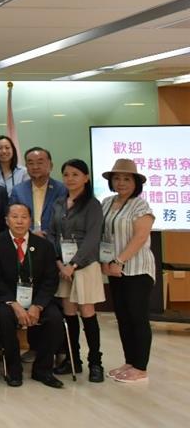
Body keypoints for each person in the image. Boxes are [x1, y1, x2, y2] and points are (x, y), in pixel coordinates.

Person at [0, 204, 65, 388]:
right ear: (6, 220)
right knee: (5, 319)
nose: (19, 221)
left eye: (24, 217)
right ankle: (14, 370)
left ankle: (43, 370)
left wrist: (37, 306)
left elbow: (50, 280)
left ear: (30, 220)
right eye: (14, 216)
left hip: (37, 300)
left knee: (54, 319)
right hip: (7, 300)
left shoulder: (44, 246)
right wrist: (14, 305)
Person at [47, 159, 105, 382]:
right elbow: (52, 234)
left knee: (87, 314)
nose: (70, 179)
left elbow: (92, 239)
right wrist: (60, 262)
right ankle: (73, 360)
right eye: (66, 174)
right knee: (68, 314)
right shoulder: (59, 202)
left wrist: (74, 264)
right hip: (63, 267)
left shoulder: (92, 204)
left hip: (84, 266)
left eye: (75, 174)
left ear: (86, 178)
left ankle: (95, 363)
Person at [100, 158, 155, 384]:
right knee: (122, 317)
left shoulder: (140, 205)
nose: (121, 182)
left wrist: (120, 260)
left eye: (126, 178)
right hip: (114, 270)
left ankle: (140, 367)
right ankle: (130, 361)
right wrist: (105, 262)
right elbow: (103, 236)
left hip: (137, 269)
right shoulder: (106, 202)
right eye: (117, 178)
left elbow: (140, 237)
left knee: (137, 317)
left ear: (135, 182)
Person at [10, 147, 67, 234]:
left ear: (50, 166)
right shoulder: (18, 190)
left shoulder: (62, 189)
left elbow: (65, 218)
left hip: (53, 241)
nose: (35, 167)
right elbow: (12, 218)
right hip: (25, 239)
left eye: (40, 162)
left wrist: (46, 234)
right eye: (31, 163)